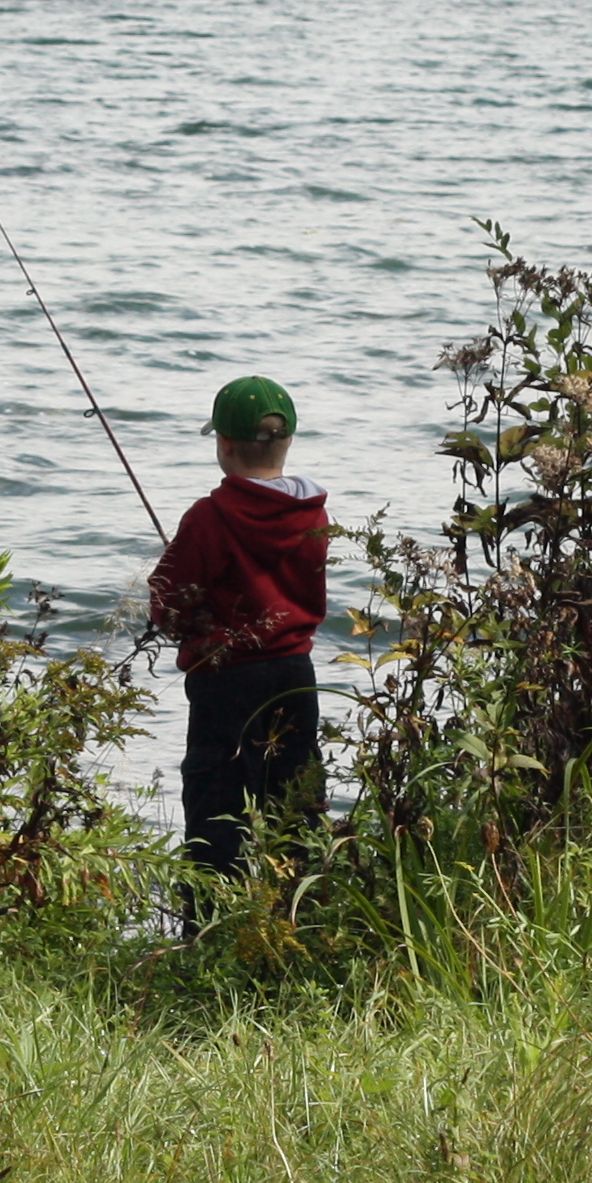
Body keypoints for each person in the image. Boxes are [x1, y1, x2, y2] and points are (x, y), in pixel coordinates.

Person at [146, 373, 328, 884]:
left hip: (226, 681)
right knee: (294, 806)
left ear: (223, 445)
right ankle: (297, 917)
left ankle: (206, 929)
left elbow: (168, 605)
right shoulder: (314, 515)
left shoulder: (208, 517)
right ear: (287, 442)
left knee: (216, 809)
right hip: (296, 675)